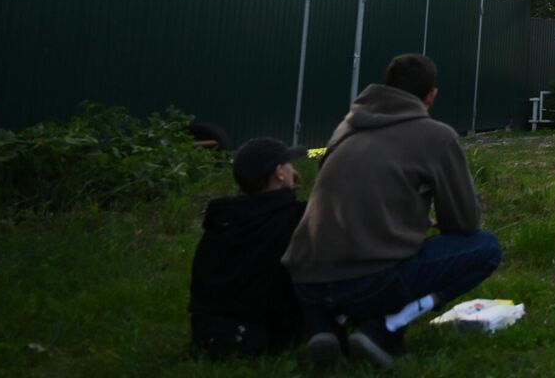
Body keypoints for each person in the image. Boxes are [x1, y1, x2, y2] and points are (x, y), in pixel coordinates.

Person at [284, 53, 502, 367]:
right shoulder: (436, 136)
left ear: (387, 87)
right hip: (367, 281)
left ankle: (326, 327)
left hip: (306, 280)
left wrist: (406, 216)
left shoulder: (346, 127)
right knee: (485, 247)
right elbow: (465, 223)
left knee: (353, 273)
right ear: (431, 95)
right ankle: (385, 328)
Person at [188, 137, 310, 357]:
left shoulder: (222, 220)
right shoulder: (296, 217)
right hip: (269, 335)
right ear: (279, 173)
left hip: (208, 332)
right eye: (289, 165)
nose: (294, 170)